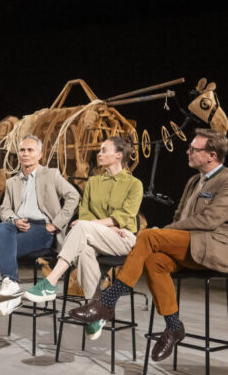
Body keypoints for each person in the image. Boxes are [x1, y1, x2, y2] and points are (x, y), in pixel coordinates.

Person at [70, 129, 228, 362]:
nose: (188, 151)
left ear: (211, 155)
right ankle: (174, 327)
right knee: (154, 261)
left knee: (148, 237)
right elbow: (178, 216)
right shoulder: (194, 181)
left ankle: (107, 301)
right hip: (189, 245)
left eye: (194, 149)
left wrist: (162, 234)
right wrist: (165, 235)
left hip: (212, 247)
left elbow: (208, 221)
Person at [19, 137, 143, 339]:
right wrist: (98, 227)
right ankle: (96, 311)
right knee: (84, 249)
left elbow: (125, 217)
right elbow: (85, 214)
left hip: (123, 238)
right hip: (96, 236)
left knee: (82, 228)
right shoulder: (93, 183)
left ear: (118, 156)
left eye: (104, 150)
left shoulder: (134, 184)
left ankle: (51, 281)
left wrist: (97, 226)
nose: (99, 154)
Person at [0, 135, 80, 314]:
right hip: (18, 227)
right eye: (22, 150)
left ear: (40, 154)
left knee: (0, 250)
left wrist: (56, 224)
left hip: (42, 229)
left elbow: (74, 196)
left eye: (30, 150)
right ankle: (12, 288)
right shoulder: (12, 182)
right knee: (3, 226)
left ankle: (11, 289)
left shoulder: (51, 174)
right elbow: (4, 210)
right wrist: (14, 220)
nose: (25, 154)